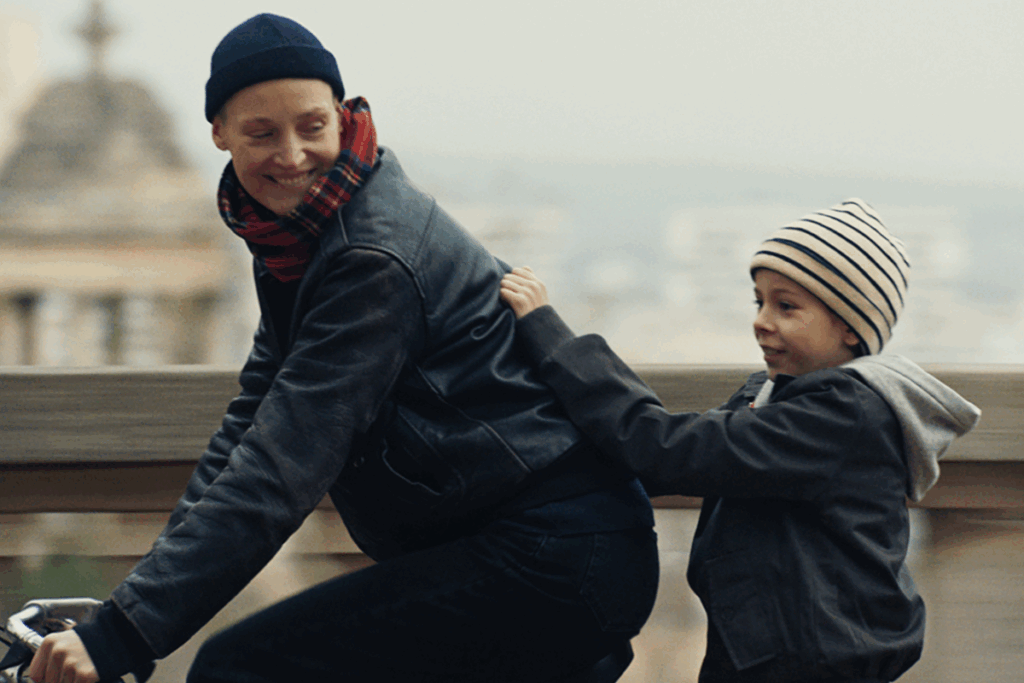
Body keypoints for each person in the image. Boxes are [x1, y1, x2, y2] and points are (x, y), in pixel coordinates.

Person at [27, 13, 658, 683]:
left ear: (343, 112)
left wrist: (125, 633)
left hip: (552, 551)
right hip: (535, 547)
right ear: (219, 135)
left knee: (238, 667)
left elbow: (284, 462)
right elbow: (250, 425)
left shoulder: (370, 256)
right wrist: (129, 610)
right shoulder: (298, 234)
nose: (293, 155)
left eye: (312, 126)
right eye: (262, 133)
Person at [500, 198, 982, 682]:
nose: (762, 320)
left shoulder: (840, 417)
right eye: (760, 300)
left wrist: (553, 340)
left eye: (787, 306)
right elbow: (673, 446)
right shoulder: (778, 397)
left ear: (852, 326)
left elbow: (670, 449)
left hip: (810, 662)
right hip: (769, 649)